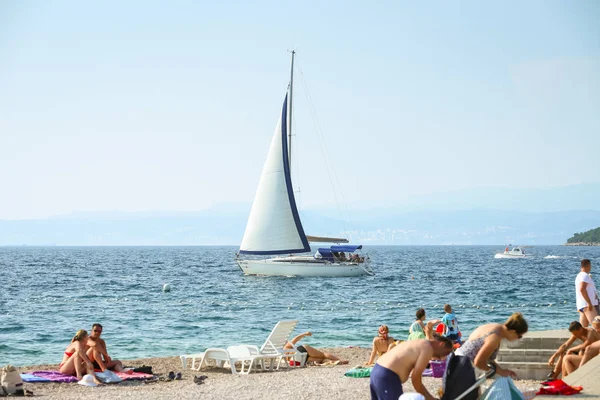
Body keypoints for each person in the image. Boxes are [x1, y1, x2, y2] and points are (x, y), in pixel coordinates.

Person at [442, 312, 527, 400]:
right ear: (513, 331)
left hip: (458, 360)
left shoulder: (495, 328)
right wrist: (496, 372)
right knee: (467, 396)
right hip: (464, 367)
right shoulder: (495, 337)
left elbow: (487, 358)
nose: (518, 339)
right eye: (519, 336)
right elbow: (479, 362)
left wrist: (501, 371)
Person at [370, 334, 453, 400]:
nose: (443, 358)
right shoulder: (428, 348)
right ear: (442, 344)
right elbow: (415, 379)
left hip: (377, 370)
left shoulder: (419, 342)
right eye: (446, 353)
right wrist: (430, 398)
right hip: (387, 376)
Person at [283, 331, 348, 365]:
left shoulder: (280, 353)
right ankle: (340, 360)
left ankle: (334, 361)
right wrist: (304, 334)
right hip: (301, 351)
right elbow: (295, 339)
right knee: (322, 355)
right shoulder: (286, 347)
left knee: (321, 360)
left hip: (297, 361)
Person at [575, 259, 599, 327]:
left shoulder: (579, 275)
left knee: (583, 330)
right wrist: (589, 303)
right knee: (597, 326)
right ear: (588, 265)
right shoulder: (584, 275)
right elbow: (582, 289)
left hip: (582, 305)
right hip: (587, 305)